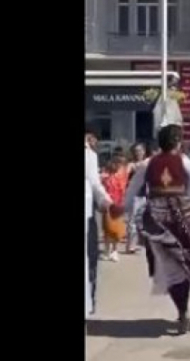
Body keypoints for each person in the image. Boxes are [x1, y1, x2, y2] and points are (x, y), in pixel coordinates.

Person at [127, 124, 190, 335]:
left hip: (156, 220)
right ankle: (185, 305)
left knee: (170, 268)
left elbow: (132, 190)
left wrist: (122, 207)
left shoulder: (148, 163)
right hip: (181, 217)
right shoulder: (184, 161)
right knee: (187, 260)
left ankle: (183, 311)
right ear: (177, 142)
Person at [85, 126, 112, 317]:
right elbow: (94, 184)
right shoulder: (89, 154)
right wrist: (107, 202)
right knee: (90, 258)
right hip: (87, 215)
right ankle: (90, 301)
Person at [101, 156, 129, 262]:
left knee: (116, 229)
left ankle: (114, 250)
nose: (118, 166)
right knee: (107, 228)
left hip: (118, 204)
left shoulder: (122, 175)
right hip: (108, 204)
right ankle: (107, 250)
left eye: (121, 164)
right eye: (117, 163)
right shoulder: (106, 177)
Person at [124, 143, 148, 254]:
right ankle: (131, 245)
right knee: (132, 221)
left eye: (140, 150)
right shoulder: (131, 165)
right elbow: (125, 174)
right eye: (136, 151)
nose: (138, 153)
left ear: (144, 151)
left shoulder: (147, 163)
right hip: (134, 196)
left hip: (145, 195)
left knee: (142, 222)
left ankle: (140, 244)